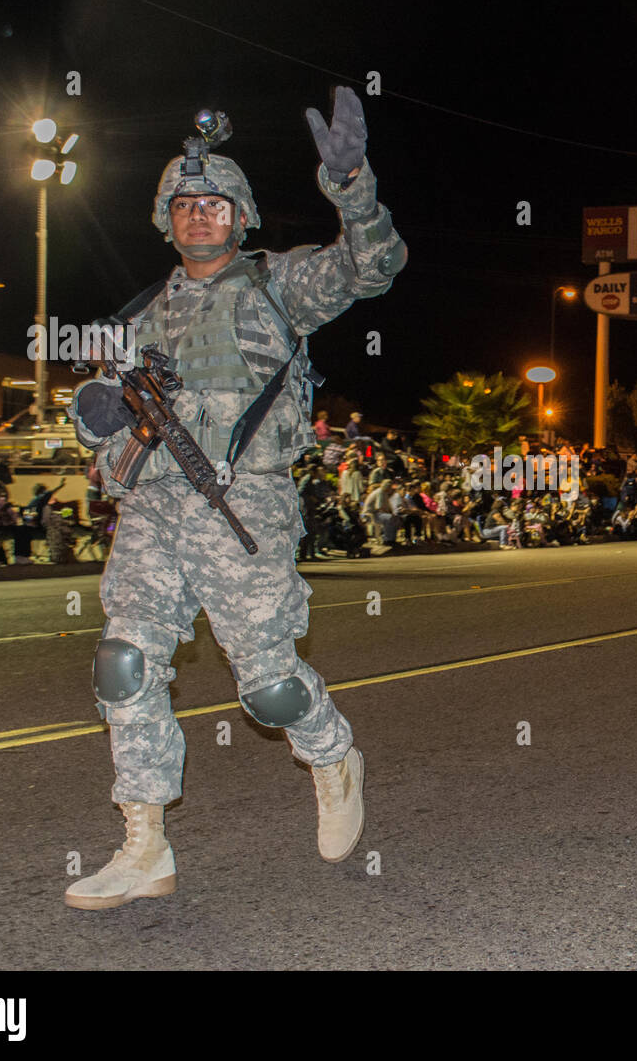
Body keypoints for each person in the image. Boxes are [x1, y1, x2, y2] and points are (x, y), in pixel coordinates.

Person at [63, 86, 405, 911]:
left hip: (242, 511)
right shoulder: (142, 318)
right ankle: (145, 844)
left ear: (241, 217)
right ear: (165, 220)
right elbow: (105, 443)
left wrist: (351, 183)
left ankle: (331, 755)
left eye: (215, 204)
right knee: (124, 662)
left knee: (268, 686)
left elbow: (374, 267)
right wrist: (102, 423)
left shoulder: (279, 286)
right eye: (185, 205)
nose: (200, 216)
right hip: (154, 512)